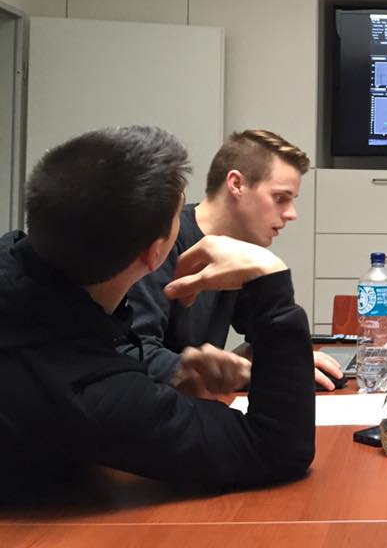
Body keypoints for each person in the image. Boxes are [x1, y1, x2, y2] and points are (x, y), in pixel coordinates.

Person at [0, 126, 315, 497]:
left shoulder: (15, 266)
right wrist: (271, 276)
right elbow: (277, 448)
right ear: (155, 254)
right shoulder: (91, 392)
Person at [118, 129, 344, 394]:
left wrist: (292, 359)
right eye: (280, 198)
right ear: (236, 184)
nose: (291, 214)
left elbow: (264, 330)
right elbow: (134, 353)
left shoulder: (237, 250)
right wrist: (252, 375)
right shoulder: (165, 241)